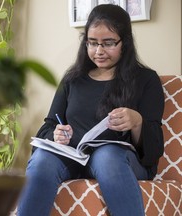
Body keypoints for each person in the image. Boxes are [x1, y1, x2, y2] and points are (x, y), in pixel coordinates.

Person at [17, 4, 164, 216]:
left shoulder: (146, 80)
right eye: (92, 43)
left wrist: (137, 122)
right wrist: (56, 135)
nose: (99, 51)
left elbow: (154, 150)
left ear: (126, 43)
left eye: (108, 43)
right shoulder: (72, 79)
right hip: (74, 157)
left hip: (121, 161)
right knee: (42, 159)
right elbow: (48, 126)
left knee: (106, 156)